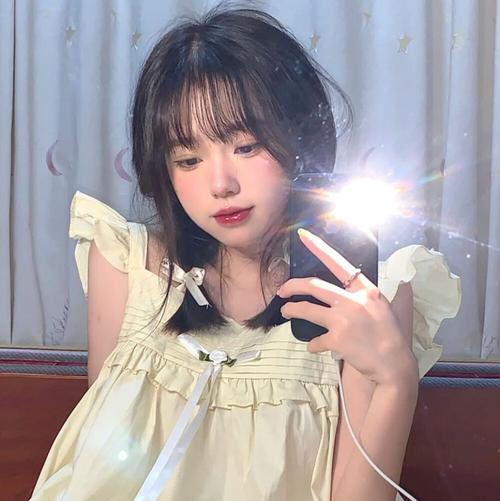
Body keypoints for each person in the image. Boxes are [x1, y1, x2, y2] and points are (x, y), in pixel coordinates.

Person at [30, 4, 461, 501]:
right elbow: (96, 465)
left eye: (247, 146)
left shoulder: (367, 296)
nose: (221, 184)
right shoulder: (127, 266)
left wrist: (395, 382)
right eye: (188, 159)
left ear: (299, 139)